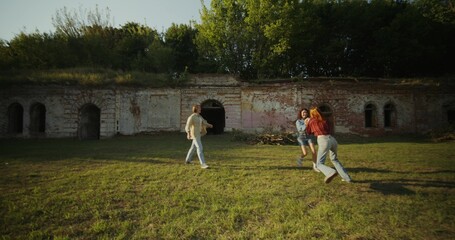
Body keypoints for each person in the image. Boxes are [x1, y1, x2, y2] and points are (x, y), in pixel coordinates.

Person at [306, 107, 352, 183]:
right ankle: (347, 178)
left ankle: (330, 172)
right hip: (332, 139)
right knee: (334, 159)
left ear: (311, 114)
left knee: (319, 164)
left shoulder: (311, 121)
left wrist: (307, 123)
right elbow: (329, 129)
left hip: (323, 140)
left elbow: (308, 132)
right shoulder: (324, 119)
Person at [185, 104, 213, 169]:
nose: (200, 109)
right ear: (196, 109)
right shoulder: (192, 117)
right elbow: (187, 126)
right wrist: (188, 133)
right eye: (199, 108)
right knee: (200, 148)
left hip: (199, 134)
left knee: (193, 148)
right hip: (194, 134)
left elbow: (204, 122)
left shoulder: (199, 116)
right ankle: (203, 164)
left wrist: (209, 125)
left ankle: (187, 160)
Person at [295, 108, 319, 172]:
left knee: (314, 151)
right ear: (300, 114)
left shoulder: (310, 120)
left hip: (309, 136)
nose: (304, 114)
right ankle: (299, 158)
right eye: (302, 112)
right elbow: (300, 129)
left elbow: (314, 127)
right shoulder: (298, 121)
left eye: (305, 112)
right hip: (301, 138)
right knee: (305, 153)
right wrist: (306, 124)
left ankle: (315, 166)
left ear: (307, 113)